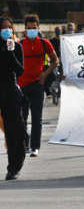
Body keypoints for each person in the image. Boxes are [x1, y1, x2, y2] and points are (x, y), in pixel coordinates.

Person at [18, 15, 59, 157]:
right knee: (21, 117)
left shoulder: (44, 43)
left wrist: (45, 74)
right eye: (29, 28)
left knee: (37, 118)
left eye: (34, 28)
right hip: (21, 86)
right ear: (25, 29)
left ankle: (35, 147)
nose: (31, 30)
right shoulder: (19, 44)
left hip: (37, 84)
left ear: (38, 28)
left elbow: (55, 60)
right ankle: (25, 143)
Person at [0, 16, 26, 180]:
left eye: (8, 27)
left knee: (14, 130)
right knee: (9, 130)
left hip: (11, 91)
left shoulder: (15, 47)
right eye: (3, 28)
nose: (6, 30)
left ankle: (14, 166)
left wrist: (10, 52)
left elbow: (20, 70)